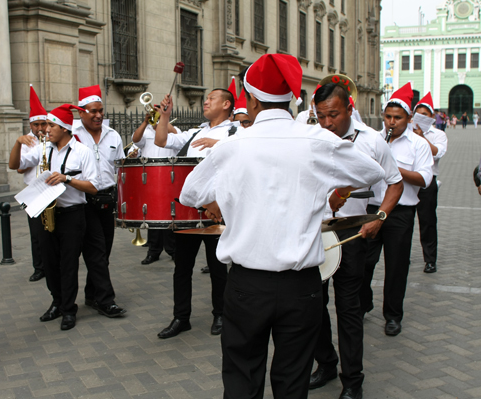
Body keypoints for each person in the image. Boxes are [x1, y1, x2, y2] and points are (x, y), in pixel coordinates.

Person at [179, 53, 385, 399]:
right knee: (292, 383)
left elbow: (190, 193)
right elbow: (372, 172)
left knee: (242, 380)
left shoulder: (232, 145)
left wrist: (231, 194)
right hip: (301, 285)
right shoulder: (317, 140)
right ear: (291, 97)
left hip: (246, 284)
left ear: (252, 99)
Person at [308, 81, 404, 399]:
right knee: (314, 305)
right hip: (316, 232)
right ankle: (326, 363)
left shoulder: (372, 141)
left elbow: (395, 183)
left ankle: (352, 382)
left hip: (352, 234)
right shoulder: (310, 138)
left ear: (350, 109)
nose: (327, 123)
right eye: (321, 116)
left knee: (349, 308)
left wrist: (380, 217)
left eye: (333, 115)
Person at [154, 88, 239, 339]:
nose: (206, 101)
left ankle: (221, 314)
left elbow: (247, 154)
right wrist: (164, 117)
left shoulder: (236, 132)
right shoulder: (195, 132)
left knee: (217, 267)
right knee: (182, 268)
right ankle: (181, 318)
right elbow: (161, 141)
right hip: (189, 211)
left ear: (226, 104)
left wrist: (219, 145)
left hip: (216, 211)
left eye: (211, 98)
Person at [9, 104, 99, 330]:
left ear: (65, 128)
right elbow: (14, 165)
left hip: (72, 214)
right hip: (45, 213)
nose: (45, 129)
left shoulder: (82, 152)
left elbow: (93, 187)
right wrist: (18, 143)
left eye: (51, 125)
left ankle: (69, 309)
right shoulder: (42, 148)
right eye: (46, 125)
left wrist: (67, 179)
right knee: (49, 263)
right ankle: (56, 302)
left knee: (68, 264)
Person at [359, 82, 434, 337]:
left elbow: (424, 179)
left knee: (396, 266)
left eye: (398, 118)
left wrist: (392, 168)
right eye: (388, 116)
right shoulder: (373, 140)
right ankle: (363, 304)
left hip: (401, 212)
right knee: (363, 262)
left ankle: (392, 315)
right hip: (371, 207)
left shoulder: (418, 144)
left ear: (409, 118)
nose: (392, 122)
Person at [73, 85, 127, 318]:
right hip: (83, 199)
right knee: (96, 250)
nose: (98, 115)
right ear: (81, 112)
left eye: (100, 110)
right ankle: (106, 300)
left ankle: (91, 294)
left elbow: (120, 168)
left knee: (104, 250)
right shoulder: (71, 134)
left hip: (108, 198)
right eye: (93, 111)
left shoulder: (112, 134)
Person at [131, 109, 178, 265]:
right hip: (150, 178)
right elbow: (135, 139)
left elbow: (177, 134)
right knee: (152, 215)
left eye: (157, 115)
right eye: (154, 116)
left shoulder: (172, 130)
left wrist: (164, 120)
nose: (155, 119)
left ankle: (172, 250)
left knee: (169, 214)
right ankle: (153, 251)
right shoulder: (146, 132)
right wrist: (146, 122)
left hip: (168, 178)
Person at [412, 93, 448, 274]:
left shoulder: (438, 134)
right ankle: (402, 256)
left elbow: (437, 153)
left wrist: (422, 138)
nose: (421, 117)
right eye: (418, 114)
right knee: (403, 221)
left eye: (425, 114)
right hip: (408, 182)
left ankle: (430, 259)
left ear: (432, 117)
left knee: (427, 222)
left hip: (427, 183)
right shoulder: (407, 132)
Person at [18, 85, 47, 282]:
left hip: (49, 190)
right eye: (36, 125)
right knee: (35, 232)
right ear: (31, 125)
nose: (40, 128)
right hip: (32, 192)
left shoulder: (51, 138)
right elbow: (20, 168)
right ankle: (39, 267)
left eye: (43, 124)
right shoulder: (26, 141)